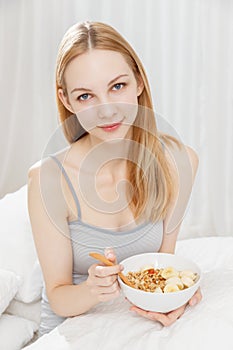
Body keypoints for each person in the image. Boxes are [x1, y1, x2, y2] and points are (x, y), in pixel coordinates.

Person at [28, 21, 202, 336]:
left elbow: (162, 264)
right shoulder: (49, 179)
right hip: (70, 330)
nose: (106, 111)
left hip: (135, 323)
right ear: (67, 101)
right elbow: (58, 296)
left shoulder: (179, 161)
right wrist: (93, 289)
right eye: (85, 96)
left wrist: (175, 296)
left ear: (138, 81)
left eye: (117, 86)